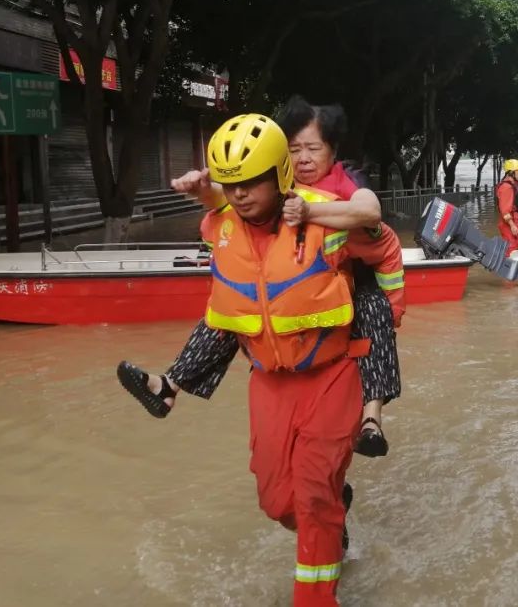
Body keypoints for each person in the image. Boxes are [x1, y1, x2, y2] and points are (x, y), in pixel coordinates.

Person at [119, 114, 406, 607]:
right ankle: (335, 524)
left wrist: (350, 220)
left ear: (280, 174)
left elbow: (380, 238)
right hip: (269, 381)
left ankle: (315, 597)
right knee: (279, 503)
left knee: (314, 493)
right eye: (231, 185)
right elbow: (228, 297)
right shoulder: (221, 227)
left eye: (251, 181)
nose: (241, 194)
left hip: (332, 375)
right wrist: (204, 192)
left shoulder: (325, 219)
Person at [127, 97, 405, 461]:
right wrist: (201, 190)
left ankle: (371, 418)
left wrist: (310, 211)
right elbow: (232, 197)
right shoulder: (275, 186)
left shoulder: (347, 179)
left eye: (313, 148)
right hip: (291, 283)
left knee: (373, 313)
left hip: (349, 277)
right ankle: (170, 384)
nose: (303, 158)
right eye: (294, 149)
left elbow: (369, 210)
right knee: (233, 306)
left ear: (332, 150)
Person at [496, 159, 518, 258]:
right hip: (510, 222)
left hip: (515, 219)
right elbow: (505, 210)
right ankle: (511, 269)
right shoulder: (507, 187)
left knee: (515, 247)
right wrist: (512, 225)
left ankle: (513, 268)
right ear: (512, 172)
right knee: (512, 249)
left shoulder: (513, 185)